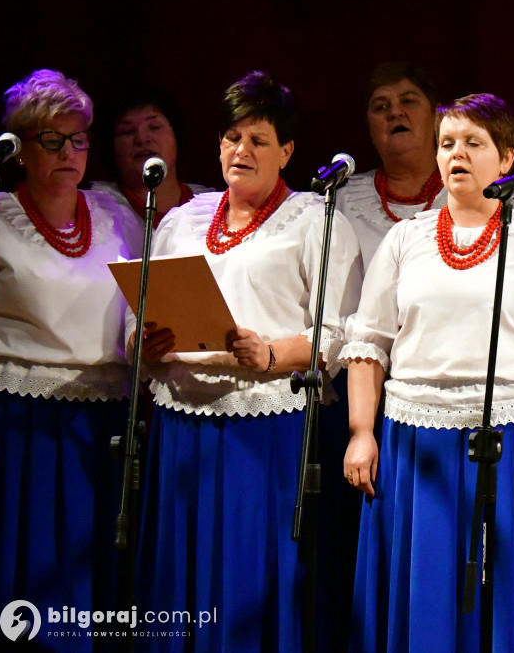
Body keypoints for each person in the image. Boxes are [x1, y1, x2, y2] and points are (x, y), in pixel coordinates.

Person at [342, 93, 514, 652]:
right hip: (414, 440)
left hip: (505, 438)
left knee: (497, 595)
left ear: (507, 160)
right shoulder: (408, 239)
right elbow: (369, 340)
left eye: (473, 143)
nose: (456, 153)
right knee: (423, 589)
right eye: (447, 143)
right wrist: (361, 432)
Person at [132, 71, 363, 651]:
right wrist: (145, 344)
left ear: (287, 151)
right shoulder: (182, 219)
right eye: (233, 137)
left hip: (270, 427)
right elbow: (141, 316)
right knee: (186, 574)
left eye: (259, 140)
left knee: (252, 573)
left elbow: (340, 332)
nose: (242, 151)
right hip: (184, 423)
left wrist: (272, 353)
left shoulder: (318, 220)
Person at [0, 69, 142, 647]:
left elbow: (134, 308)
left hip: (100, 419)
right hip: (20, 419)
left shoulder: (114, 216)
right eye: (52, 140)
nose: (69, 152)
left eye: (78, 139)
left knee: (90, 572)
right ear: (20, 149)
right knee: (26, 566)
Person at [336, 62, 447, 271]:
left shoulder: (474, 198)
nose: (395, 112)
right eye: (381, 107)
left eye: (408, 101)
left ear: (436, 117)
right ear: (370, 130)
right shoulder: (340, 208)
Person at [91, 86, 211, 227]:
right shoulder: (97, 210)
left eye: (154, 127)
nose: (142, 139)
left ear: (176, 136)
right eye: (127, 131)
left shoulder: (209, 208)